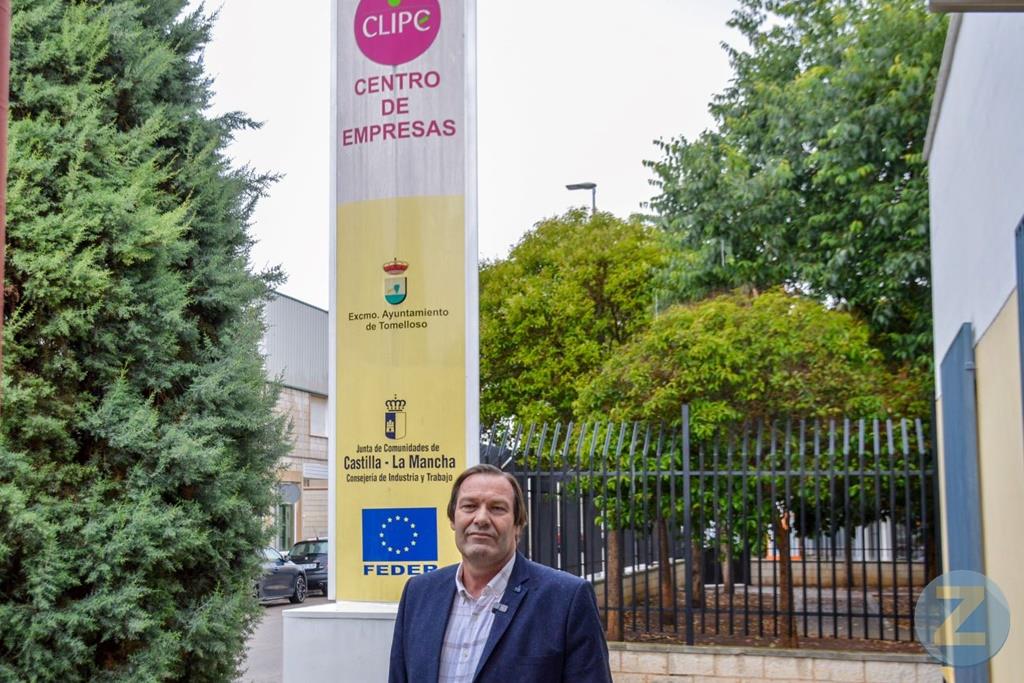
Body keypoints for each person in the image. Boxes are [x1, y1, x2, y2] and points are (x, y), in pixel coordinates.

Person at [388, 464, 613, 683]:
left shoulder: (566, 600)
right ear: (452, 519)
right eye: (469, 506)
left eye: (497, 508)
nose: (481, 519)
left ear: (518, 524)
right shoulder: (418, 593)